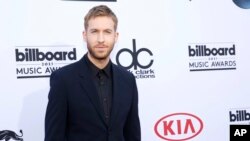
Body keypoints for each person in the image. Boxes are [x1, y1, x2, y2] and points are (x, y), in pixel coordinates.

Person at [44, 5, 141, 141]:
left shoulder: (128, 80)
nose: (101, 39)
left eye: (107, 32)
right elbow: (54, 137)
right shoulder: (63, 80)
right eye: (94, 31)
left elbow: (133, 133)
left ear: (116, 36)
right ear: (85, 35)